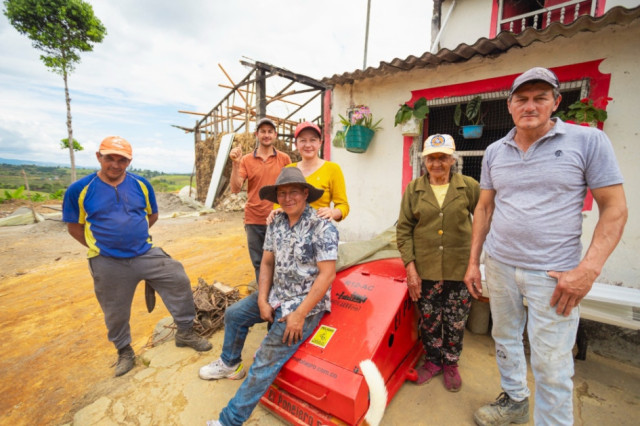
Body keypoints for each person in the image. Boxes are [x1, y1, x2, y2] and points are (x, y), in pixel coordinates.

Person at [464, 67, 628, 425]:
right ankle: (515, 401)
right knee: (505, 339)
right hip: (500, 265)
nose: (530, 105)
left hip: (555, 274)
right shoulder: (494, 151)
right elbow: (485, 207)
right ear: (510, 105)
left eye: (540, 97)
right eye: (522, 98)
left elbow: (614, 208)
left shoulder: (588, 142)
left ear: (556, 101)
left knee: (551, 364)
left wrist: (588, 270)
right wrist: (474, 261)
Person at [62, 136, 212, 377]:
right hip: (107, 260)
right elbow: (73, 227)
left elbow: (152, 215)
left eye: (122, 160)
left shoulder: (141, 184)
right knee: (115, 309)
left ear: (129, 161)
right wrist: (100, 247)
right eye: (109, 158)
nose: (115, 164)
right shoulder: (80, 189)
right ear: (98, 157)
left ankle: (184, 332)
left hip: (144, 253)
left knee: (177, 276)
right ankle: (124, 351)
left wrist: (134, 237)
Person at [199, 167, 339, 426]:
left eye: (293, 192)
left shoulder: (322, 226)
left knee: (264, 360)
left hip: (304, 303)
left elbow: (327, 275)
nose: (287, 198)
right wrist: (262, 299)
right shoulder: (275, 221)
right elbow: (266, 264)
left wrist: (299, 314)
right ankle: (230, 363)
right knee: (234, 314)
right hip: (277, 294)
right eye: (282, 193)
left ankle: (229, 421)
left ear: (305, 193)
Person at [396, 134, 480, 392]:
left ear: (452, 159)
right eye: (431, 158)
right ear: (424, 161)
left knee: (455, 320)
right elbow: (404, 229)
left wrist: (476, 263)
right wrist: (411, 267)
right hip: (426, 267)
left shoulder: (469, 186)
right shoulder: (414, 189)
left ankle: (451, 364)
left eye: (442, 158)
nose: (437, 164)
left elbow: (484, 222)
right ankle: (433, 361)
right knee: (430, 319)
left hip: (459, 268)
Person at [229, 117, 291, 283]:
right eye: (262, 131)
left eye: (270, 131)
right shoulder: (246, 160)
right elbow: (235, 188)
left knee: (282, 262)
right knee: (259, 263)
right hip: (254, 220)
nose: (266, 135)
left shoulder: (284, 159)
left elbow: (291, 188)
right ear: (257, 134)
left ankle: (279, 301)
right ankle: (263, 300)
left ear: (275, 135)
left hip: (279, 219)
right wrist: (235, 164)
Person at [268, 121, 349, 223]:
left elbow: (343, 205)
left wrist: (332, 212)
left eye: (313, 140)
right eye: (302, 140)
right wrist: (277, 210)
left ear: (320, 143)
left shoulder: (333, 169)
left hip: (319, 231)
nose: (308, 145)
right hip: (291, 231)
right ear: (296, 144)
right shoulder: (289, 169)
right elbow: (279, 199)